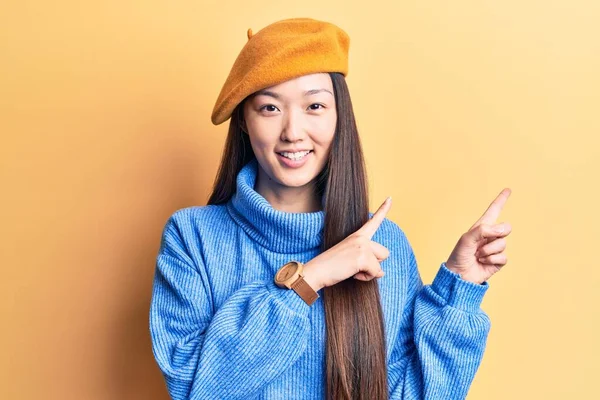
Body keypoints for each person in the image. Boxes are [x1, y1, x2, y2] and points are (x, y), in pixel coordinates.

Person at [149, 17, 512, 400]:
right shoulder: (192, 238)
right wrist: (309, 279)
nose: (293, 131)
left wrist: (459, 288)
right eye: (270, 108)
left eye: (315, 105)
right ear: (243, 120)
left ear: (340, 117)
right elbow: (193, 389)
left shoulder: (383, 244)